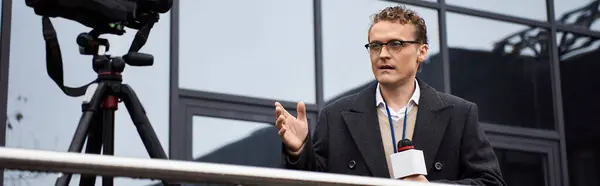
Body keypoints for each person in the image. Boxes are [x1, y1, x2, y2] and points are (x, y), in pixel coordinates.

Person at [274, 5, 506, 186]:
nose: (383, 54)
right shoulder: (336, 116)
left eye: (395, 44)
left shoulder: (459, 114)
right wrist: (299, 151)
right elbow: (313, 182)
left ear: (421, 51)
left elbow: (490, 182)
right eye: (375, 46)